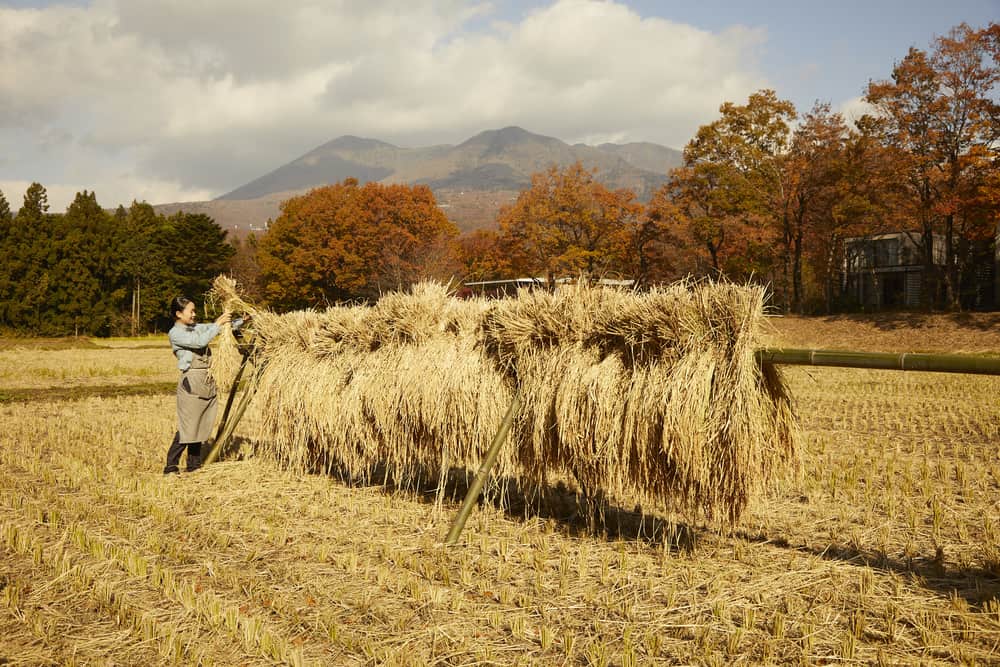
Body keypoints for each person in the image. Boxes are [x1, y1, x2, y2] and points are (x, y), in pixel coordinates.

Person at [164, 296, 231, 474]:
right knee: (189, 426)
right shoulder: (175, 333)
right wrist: (218, 324)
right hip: (191, 382)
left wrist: (238, 321)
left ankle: (193, 465)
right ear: (179, 313)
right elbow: (200, 341)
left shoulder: (195, 328)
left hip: (206, 379)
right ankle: (171, 466)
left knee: (201, 424)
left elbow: (212, 327)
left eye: (194, 310)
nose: (194, 314)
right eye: (191, 311)